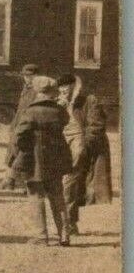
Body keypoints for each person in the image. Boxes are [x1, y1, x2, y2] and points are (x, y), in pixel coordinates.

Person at [10, 75, 73, 246]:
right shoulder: (59, 111)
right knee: (57, 196)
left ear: (37, 91)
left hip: (35, 160)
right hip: (56, 159)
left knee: (36, 196)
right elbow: (65, 122)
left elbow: (19, 135)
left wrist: (24, 150)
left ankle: (41, 236)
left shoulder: (30, 112)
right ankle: (64, 234)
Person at [60, 73, 112, 235]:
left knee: (70, 185)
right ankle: (69, 224)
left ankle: (67, 224)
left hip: (81, 149)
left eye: (66, 86)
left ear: (73, 87)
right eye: (61, 87)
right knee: (69, 186)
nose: (63, 90)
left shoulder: (89, 101)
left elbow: (95, 127)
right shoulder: (59, 102)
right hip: (63, 148)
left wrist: (83, 147)